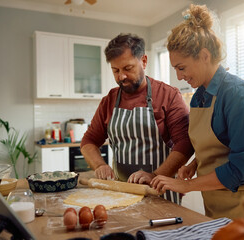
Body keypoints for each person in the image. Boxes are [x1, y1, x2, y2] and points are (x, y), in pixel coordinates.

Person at [150, 4, 244, 219]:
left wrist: (186, 186)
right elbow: (216, 147)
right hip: (218, 201)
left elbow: (241, 169)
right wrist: (194, 164)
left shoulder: (241, 95)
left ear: (204, 56)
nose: (179, 77)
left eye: (181, 68)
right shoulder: (200, 96)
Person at [80, 33, 194, 204]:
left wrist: (155, 175)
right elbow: (89, 141)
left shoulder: (168, 95)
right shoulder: (109, 100)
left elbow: (185, 144)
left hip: (159, 192)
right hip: (121, 192)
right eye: (115, 70)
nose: (121, 77)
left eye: (128, 68)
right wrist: (100, 165)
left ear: (144, 61)